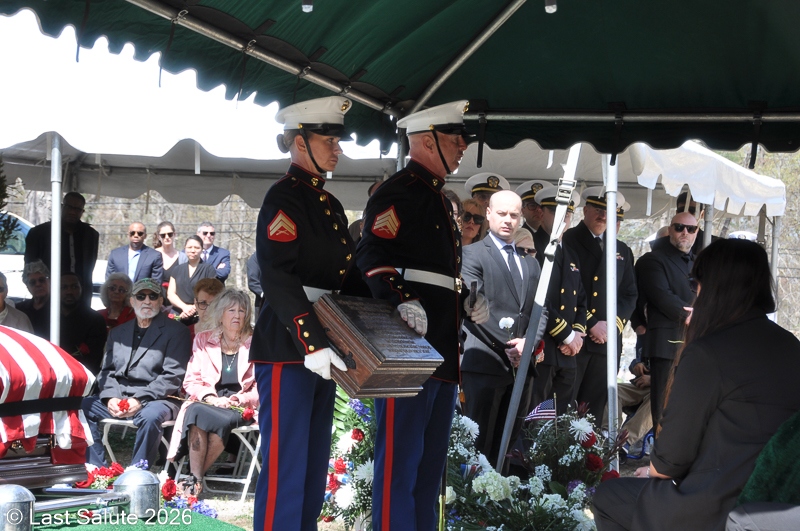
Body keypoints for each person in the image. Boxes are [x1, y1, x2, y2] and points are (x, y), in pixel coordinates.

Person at [592, 239, 800, 531]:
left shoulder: (709, 352)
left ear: (712, 288)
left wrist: (653, 470)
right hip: (777, 502)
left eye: (695, 284)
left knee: (608, 496)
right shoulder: (790, 344)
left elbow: (668, 462)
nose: (694, 294)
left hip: (717, 503)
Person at [357, 100, 489, 531]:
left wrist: (465, 299)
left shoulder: (435, 196)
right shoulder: (400, 191)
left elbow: (435, 273)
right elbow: (371, 254)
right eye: (455, 138)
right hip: (407, 350)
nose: (463, 146)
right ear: (427, 141)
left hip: (440, 352)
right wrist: (401, 298)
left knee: (429, 468)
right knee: (400, 464)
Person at [249, 96, 371, 531]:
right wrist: (311, 342)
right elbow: (277, 275)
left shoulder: (329, 204)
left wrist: (394, 307)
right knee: (287, 463)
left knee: (313, 463)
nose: (338, 149)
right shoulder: (284, 197)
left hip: (323, 342)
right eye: (329, 140)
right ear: (300, 142)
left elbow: (346, 278)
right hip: (290, 344)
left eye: (338, 140)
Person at [461, 190, 541, 469]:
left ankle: (500, 496)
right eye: (502, 213)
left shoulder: (530, 262)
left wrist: (527, 344)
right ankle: (472, 499)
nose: (508, 220)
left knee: (507, 449)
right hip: (485, 364)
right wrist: (510, 346)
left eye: (514, 215)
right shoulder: (471, 255)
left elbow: (541, 310)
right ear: (489, 214)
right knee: (477, 450)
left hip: (521, 368)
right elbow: (474, 308)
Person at [82, 278, 192, 467]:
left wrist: (139, 399)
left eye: (153, 296)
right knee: (83, 406)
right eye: (141, 296)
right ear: (132, 301)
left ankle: (138, 471)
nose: (147, 301)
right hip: (120, 397)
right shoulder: (117, 333)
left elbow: (172, 376)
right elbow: (107, 371)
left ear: (160, 301)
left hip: (159, 399)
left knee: (150, 416)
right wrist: (110, 398)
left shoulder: (177, 331)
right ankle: (97, 469)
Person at [166, 289, 258, 495]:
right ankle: (195, 480)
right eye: (231, 310)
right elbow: (191, 380)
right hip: (208, 400)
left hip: (238, 405)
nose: (237, 315)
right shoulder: (203, 339)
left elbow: (260, 388)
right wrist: (210, 397)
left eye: (242, 310)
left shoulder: (255, 343)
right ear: (220, 313)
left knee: (218, 419)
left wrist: (237, 399)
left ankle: (192, 479)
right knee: (196, 411)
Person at [562, 186, 637, 425]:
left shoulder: (621, 249)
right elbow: (568, 290)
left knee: (592, 410)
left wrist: (613, 326)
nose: (603, 215)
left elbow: (629, 294)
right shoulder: (569, 240)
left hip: (607, 342)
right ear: (585, 210)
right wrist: (592, 323)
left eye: (609, 211)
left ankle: (587, 449)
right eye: (598, 209)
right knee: (566, 405)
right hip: (577, 336)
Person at [635, 212, 697, 428]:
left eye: (691, 229)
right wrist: (692, 316)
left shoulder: (699, 263)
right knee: (664, 408)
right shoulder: (653, 259)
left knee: (691, 408)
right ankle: (661, 448)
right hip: (666, 344)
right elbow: (661, 296)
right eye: (679, 227)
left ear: (696, 232)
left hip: (696, 342)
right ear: (670, 229)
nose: (685, 233)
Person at [531, 185, 586, 415]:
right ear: (541, 213)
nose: (563, 218)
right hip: (543, 347)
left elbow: (581, 299)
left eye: (568, 213)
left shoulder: (570, 253)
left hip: (568, 353)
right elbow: (536, 298)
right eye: (556, 211)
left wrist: (578, 333)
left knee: (559, 419)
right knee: (535, 417)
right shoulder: (532, 247)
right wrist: (567, 335)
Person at [24, 191, 99, 306]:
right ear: (62, 207)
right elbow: (30, 269)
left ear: (82, 212)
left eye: (77, 209)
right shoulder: (39, 233)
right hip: (48, 297)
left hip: (80, 298)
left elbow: (89, 268)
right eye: (69, 207)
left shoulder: (90, 235)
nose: (72, 212)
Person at [59, 272, 107, 374]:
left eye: (74, 287)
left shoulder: (95, 320)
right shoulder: (49, 316)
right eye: (64, 287)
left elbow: (93, 359)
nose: (69, 292)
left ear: (81, 288)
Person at [167, 235, 216, 322]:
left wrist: (193, 309)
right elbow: (171, 294)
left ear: (202, 249)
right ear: (185, 248)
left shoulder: (209, 269)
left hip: (201, 315)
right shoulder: (177, 269)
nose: (193, 250)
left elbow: (211, 294)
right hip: (178, 314)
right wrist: (184, 307)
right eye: (189, 247)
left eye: (196, 248)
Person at [16, 260, 51, 338]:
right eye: (32, 282)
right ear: (27, 286)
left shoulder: (60, 308)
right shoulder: (19, 309)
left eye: (42, 280)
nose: (38, 284)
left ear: (49, 281)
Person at [153, 221, 184, 286]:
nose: (167, 237)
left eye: (170, 234)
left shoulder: (182, 258)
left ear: (174, 234)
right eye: (163, 235)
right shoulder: (152, 255)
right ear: (158, 237)